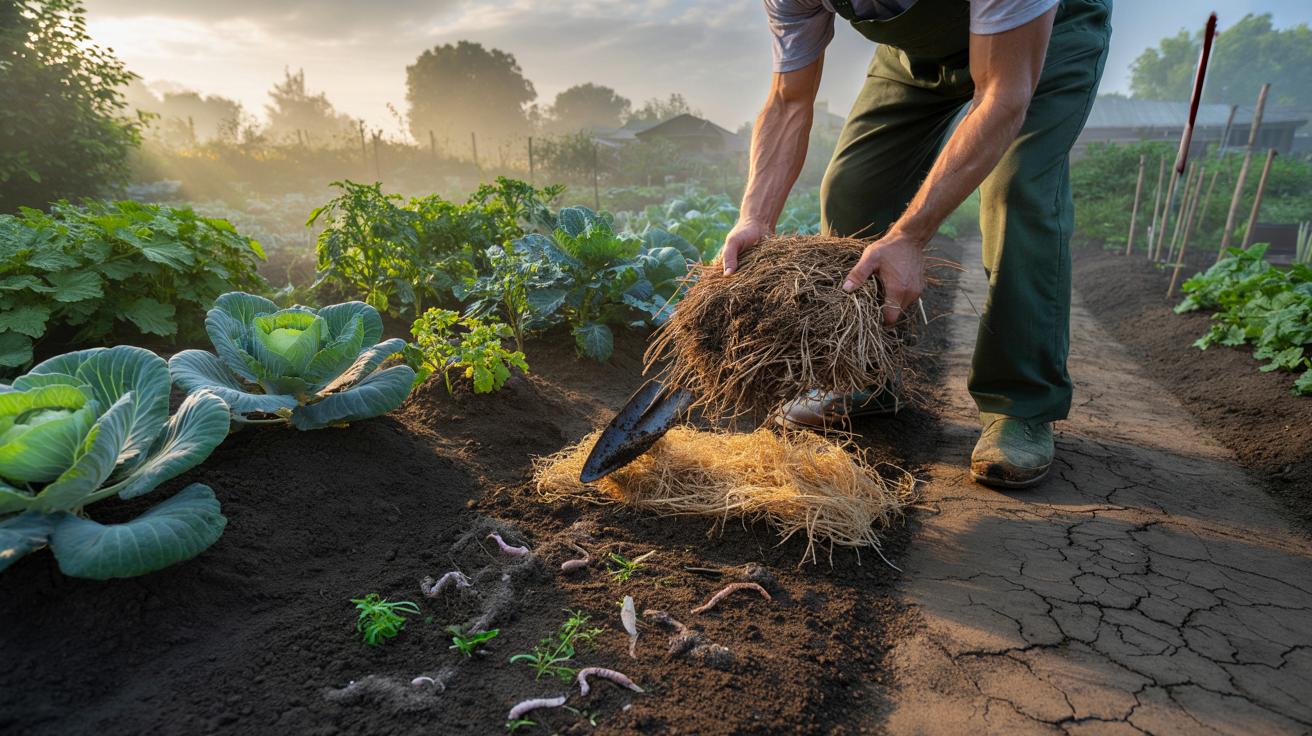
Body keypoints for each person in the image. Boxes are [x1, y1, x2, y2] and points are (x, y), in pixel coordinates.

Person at [723, 0, 1111, 488]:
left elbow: (1001, 94)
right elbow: (789, 99)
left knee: (1016, 191)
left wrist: (909, 235)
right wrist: (755, 215)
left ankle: (1021, 403)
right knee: (854, 188)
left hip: (1042, 37)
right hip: (918, 54)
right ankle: (866, 376)